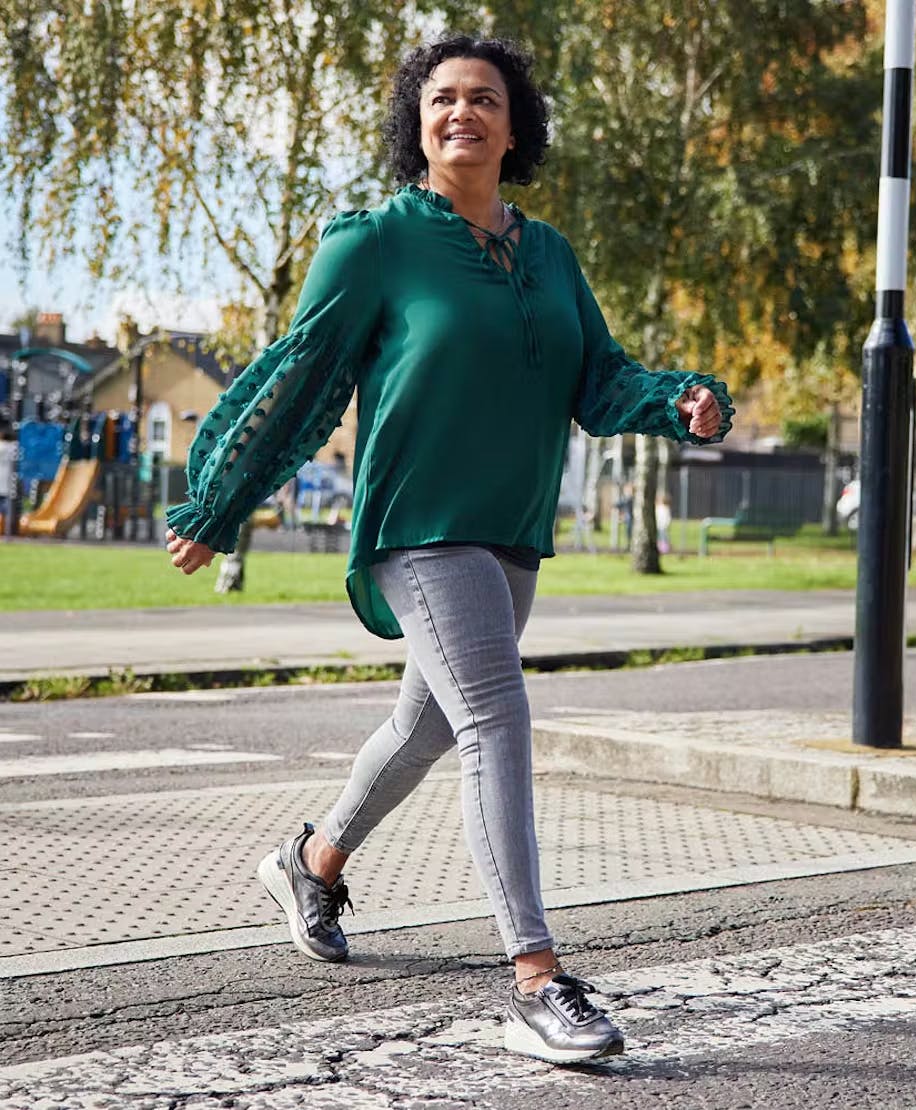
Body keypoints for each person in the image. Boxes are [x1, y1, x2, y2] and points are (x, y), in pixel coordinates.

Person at [165, 34, 734, 1065]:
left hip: (511, 528)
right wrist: (219, 501)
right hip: (419, 525)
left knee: (425, 725)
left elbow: (599, 378)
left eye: (484, 99)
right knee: (495, 719)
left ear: (515, 130)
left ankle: (311, 860)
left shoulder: (549, 255)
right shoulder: (374, 243)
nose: (462, 111)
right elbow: (299, 375)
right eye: (442, 99)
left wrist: (678, 401)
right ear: (416, 124)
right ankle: (536, 981)